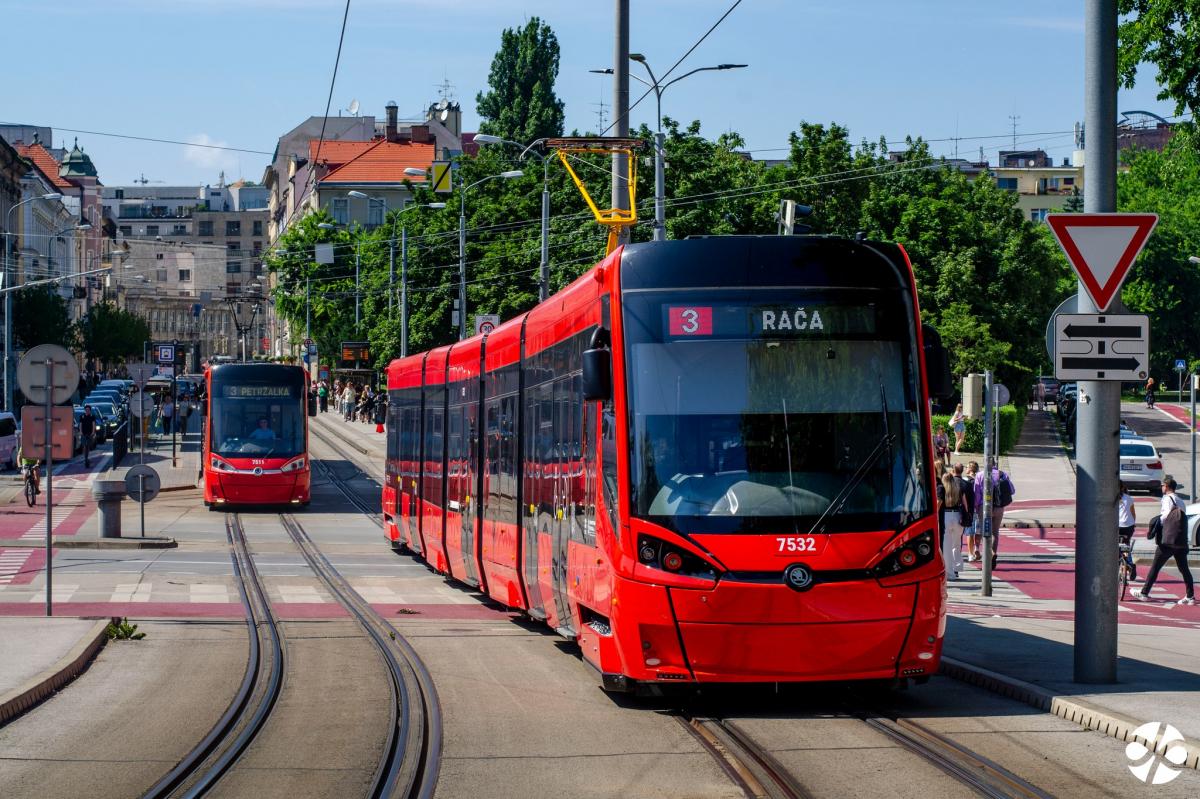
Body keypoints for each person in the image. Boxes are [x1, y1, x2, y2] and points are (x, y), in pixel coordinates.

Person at [1134, 478, 1195, 604]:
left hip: (1168, 541)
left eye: (1162, 485)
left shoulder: (1167, 499)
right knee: (1184, 569)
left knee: (1155, 567)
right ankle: (1190, 597)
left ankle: (1144, 593)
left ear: (1166, 486)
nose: (1161, 487)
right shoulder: (1180, 501)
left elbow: (1166, 516)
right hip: (1181, 540)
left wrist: (1157, 523)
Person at [973, 458, 1015, 569]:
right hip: (999, 507)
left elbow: (977, 493)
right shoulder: (1002, 474)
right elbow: (1012, 490)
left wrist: (976, 507)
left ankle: (989, 554)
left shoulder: (980, 475)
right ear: (995, 464)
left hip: (984, 507)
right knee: (995, 532)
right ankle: (993, 554)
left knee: (984, 532)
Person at [941, 472, 966, 579]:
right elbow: (965, 504)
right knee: (956, 544)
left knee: (946, 546)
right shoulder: (959, 489)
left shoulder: (942, 489)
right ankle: (957, 567)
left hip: (946, 515)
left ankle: (949, 572)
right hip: (957, 516)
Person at [953, 463, 975, 559]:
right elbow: (971, 501)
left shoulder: (949, 483)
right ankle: (957, 558)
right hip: (962, 514)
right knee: (958, 538)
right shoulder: (967, 484)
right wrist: (969, 514)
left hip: (948, 513)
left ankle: (949, 560)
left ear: (953, 470)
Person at [1117, 482, 1136, 550]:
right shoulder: (1128, 498)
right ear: (1123, 488)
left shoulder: (1111, 498)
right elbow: (1133, 513)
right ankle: (1127, 558)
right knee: (1126, 544)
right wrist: (1134, 523)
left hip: (1117, 525)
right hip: (1128, 525)